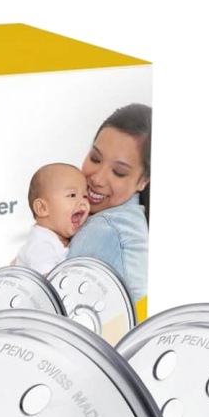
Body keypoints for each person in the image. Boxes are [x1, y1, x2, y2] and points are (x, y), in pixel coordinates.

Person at [67, 104, 151, 304]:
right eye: (95, 158)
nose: (97, 179)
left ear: (143, 181)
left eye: (118, 172)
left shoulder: (105, 228)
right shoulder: (132, 219)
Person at [14, 163, 90, 275]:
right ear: (42, 208)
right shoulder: (41, 245)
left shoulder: (58, 236)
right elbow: (48, 281)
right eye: (72, 195)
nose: (83, 202)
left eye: (85, 196)